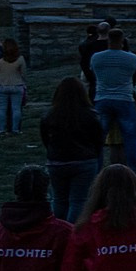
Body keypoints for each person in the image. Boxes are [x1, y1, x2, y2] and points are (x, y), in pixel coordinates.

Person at [39, 77, 106, 222]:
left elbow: (45, 139)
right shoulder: (91, 115)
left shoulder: (49, 115)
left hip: (57, 161)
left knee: (58, 199)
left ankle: (58, 230)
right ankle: (71, 232)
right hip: (84, 161)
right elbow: (99, 140)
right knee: (78, 200)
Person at [89, 29, 136, 176]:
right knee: (131, 138)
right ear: (122, 40)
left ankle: (96, 171)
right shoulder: (132, 58)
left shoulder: (96, 57)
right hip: (125, 99)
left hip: (102, 98)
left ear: (108, 40)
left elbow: (94, 75)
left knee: (98, 139)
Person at [0, 40, 28, 135]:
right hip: (17, 84)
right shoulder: (20, 59)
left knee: (1, 109)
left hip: (1, 85)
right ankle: (15, 129)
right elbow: (24, 73)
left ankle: (2, 129)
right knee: (16, 109)